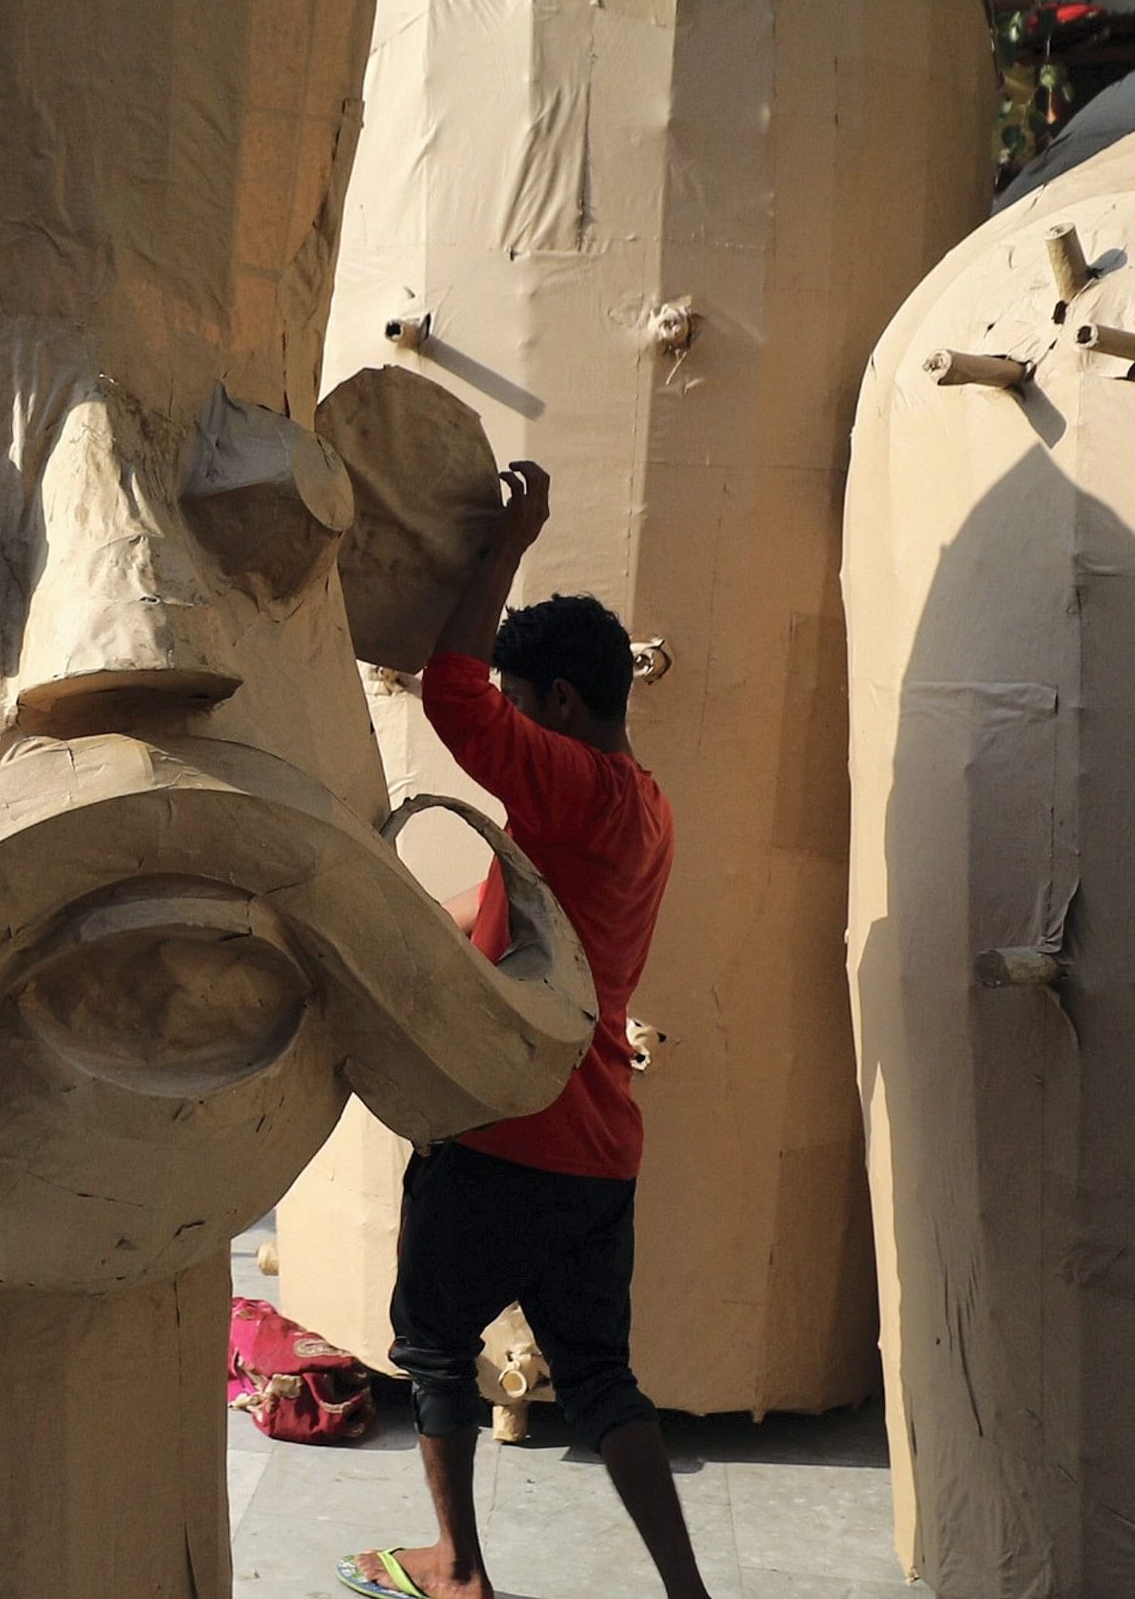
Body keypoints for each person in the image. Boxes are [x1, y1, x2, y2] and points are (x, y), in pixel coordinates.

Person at [344, 461, 711, 1599]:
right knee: (601, 1380)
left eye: (523, 698)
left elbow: (453, 695)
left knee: (434, 1346)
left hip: (505, 1130)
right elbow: (519, 918)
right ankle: (689, 1596)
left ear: (555, 701)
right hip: (597, 1145)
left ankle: (456, 1569)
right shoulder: (638, 802)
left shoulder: (577, 787)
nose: (509, 717)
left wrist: (511, 535)